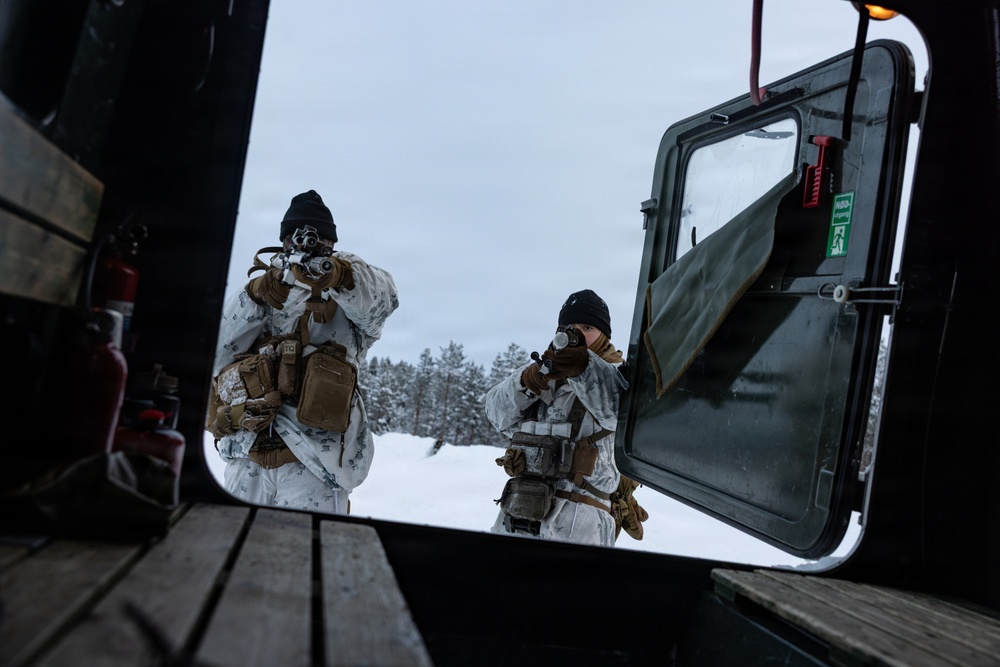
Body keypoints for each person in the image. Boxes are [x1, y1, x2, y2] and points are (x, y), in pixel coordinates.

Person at [208, 190, 398, 514]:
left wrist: (338, 274)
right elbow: (217, 355)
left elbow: (384, 298)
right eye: (295, 239)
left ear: (331, 244)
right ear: (284, 242)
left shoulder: (350, 291)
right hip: (247, 459)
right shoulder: (263, 290)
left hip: (315, 468)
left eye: (320, 240)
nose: (307, 246)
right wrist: (255, 296)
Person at [486, 289, 632, 546]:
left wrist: (582, 367)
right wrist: (524, 383)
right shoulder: (543, 371)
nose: (577, 334)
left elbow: (616, 415)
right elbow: (497, 416)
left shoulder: (620, 376)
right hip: (518, 513)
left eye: (587, 327)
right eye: (569, 327)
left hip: (581, 521)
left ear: (604, 335)